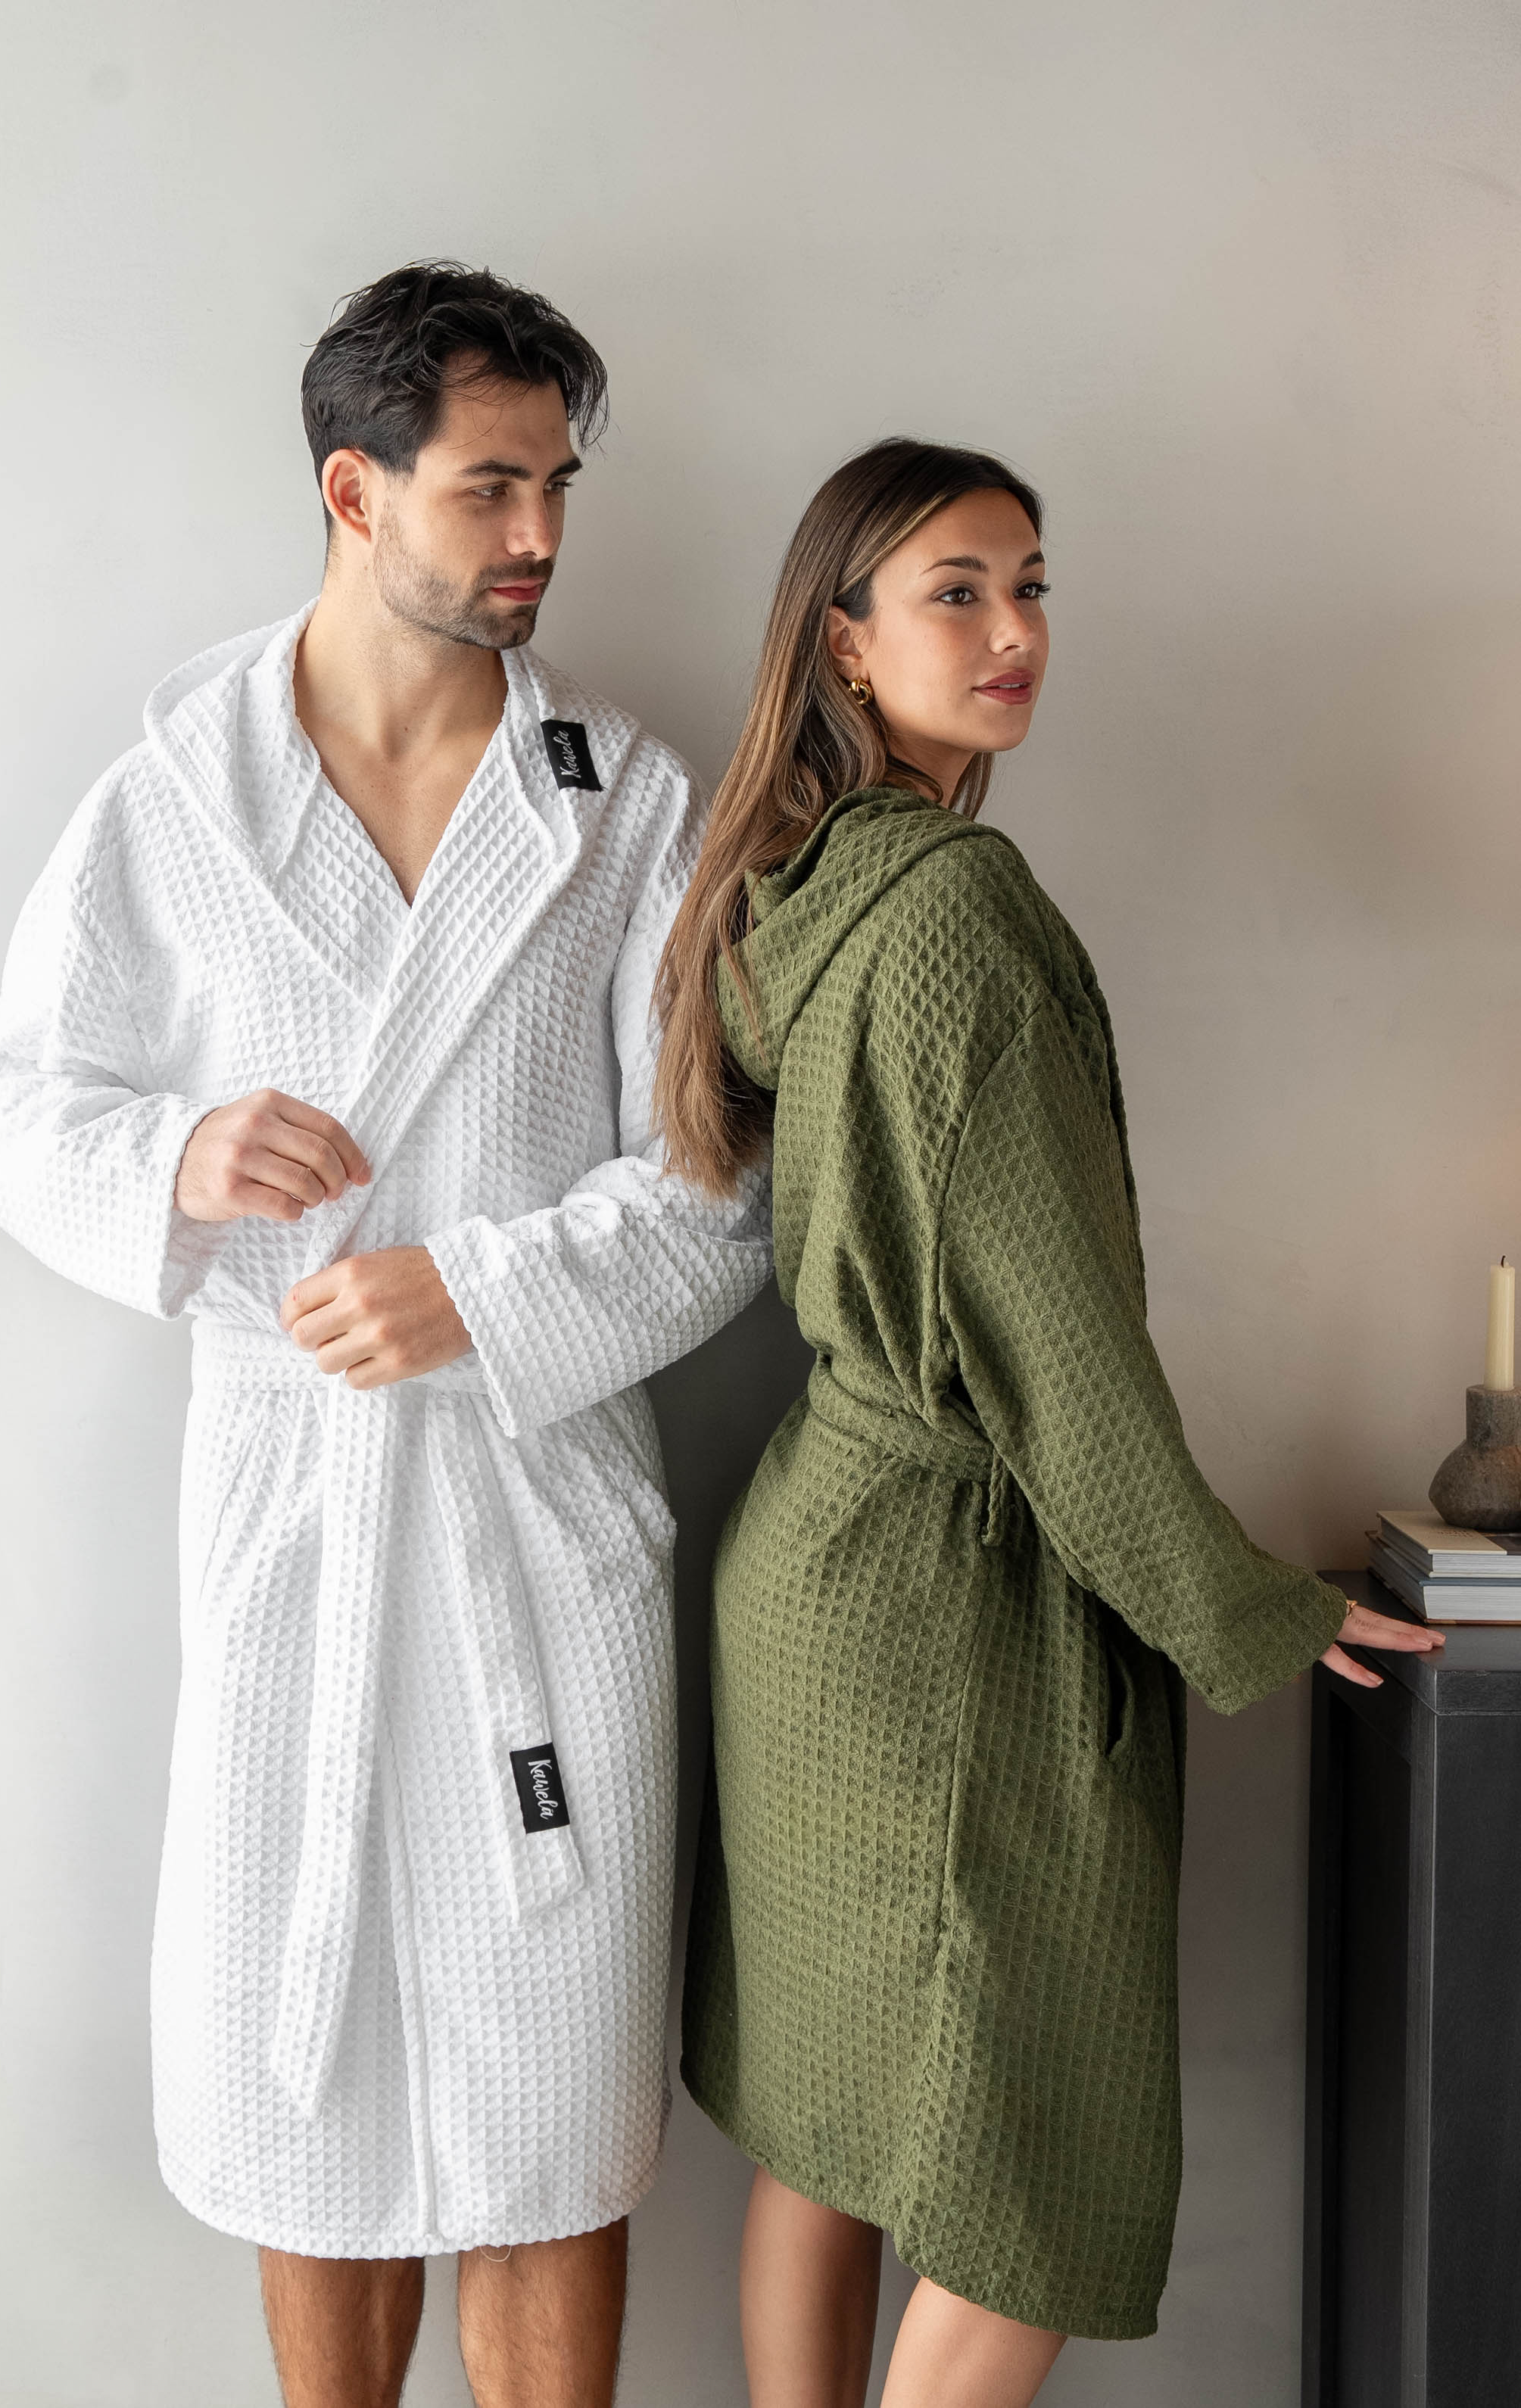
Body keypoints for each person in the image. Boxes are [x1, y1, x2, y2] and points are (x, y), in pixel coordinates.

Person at [0, 261, 768, 2408]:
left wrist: (476, 1293)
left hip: (533, 1521)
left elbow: (721, 1192)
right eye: (491, 486)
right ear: (352, 489)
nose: (541, 536)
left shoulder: (621, 803)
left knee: (549, 2105)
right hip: (293, 1515)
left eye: (559, 486)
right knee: (302, 2089)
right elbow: (9, 1099)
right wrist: (177, 1152)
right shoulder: (181, 796)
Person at [651, 438, 1441, 2407]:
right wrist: (1246, 1604)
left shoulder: (795, 893)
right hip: (946, 1602)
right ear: (844, 639)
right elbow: (1054, 1340)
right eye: (958, 591)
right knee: (1043, 2171)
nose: (1016, 632)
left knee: (829, 2124)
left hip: (818, 1563)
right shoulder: (957, 912)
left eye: (1032, 586)